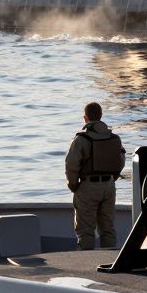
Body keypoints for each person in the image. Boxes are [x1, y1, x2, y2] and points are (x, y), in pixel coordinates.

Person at [64, 101, 125, 250]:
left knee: (85, 231)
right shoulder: (114, 138)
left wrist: (74, 186)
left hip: (88, 186)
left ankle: (87, 264)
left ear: (85, 118)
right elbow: (121, 161)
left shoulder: (81, 139)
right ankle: (110, 261)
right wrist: (112, 178)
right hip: (109, 186)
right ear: (101, 116)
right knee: (108, 229)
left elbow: (71, 166)